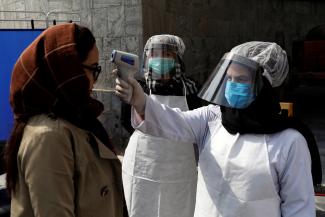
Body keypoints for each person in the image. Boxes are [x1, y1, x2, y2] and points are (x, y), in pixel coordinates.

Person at [115, 41, 321, 217]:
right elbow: (173, 122)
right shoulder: (214, 117)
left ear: (264, 85)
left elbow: (299, 208)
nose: (232, 85)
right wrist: (140, 101)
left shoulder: (290, 142)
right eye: (229, 79)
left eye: (240, 80)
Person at [4, 23, 127, 217]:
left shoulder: (76, 119)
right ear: (69, 71)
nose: (95, 81)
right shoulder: (49, 137)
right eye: (93, 69)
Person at [120, 34, 200, 217]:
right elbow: (126, 122)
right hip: (143, 165)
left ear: (177, 58)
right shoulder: (137, 87)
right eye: (155, 54)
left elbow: (198, 126)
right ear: (148, 57)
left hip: (180, 169)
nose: (160, 59)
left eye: (167, 55)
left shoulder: (191, 89)